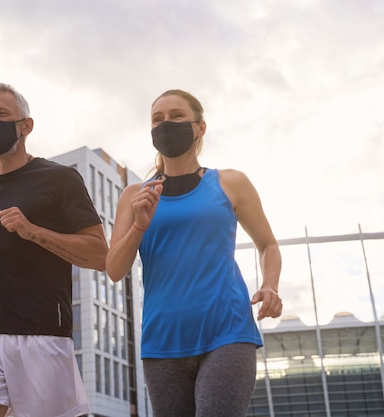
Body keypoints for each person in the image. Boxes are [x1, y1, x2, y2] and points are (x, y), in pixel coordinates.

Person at [105, 89, 283, 417]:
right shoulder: (134, 195)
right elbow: (114, 268)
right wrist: (138, 227)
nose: (166, 124)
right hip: (163, 341)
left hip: (226, 332)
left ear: (199, 127)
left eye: (176, 116)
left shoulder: (230, 182)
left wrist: (270, 285)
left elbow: (268, 245)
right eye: (157, 119)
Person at [0, 82, 108, 417]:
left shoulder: (61, 179)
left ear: (26, 126)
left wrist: (33, 231)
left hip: (41, 330)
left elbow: (99, 255)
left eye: (1, 114)